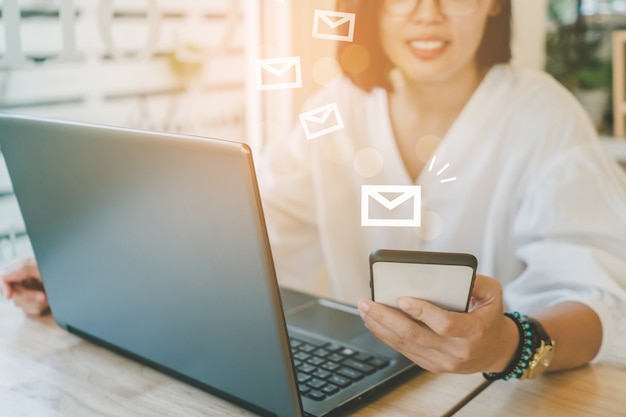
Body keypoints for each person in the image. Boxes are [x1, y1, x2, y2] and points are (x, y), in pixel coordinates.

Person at [3, 0, 626, 381]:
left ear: (494, 2)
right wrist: (94, 281)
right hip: (373, 385)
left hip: (502, 398)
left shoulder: (545, 117)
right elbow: (242, 229)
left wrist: (508, 346)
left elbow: (598, 302)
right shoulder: (337, 109)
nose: (427, 12)